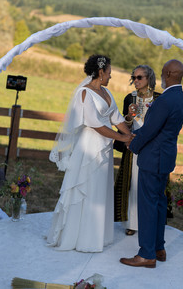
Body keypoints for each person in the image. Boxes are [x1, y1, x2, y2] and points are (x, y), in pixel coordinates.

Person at [47, 54, 132, 252]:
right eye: (109, 73)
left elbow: (117, 118)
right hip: (89, 148)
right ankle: (80, 238)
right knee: (86, 187)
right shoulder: (84, 93)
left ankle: (97, 235)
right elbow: (95, 124)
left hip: (105, 149)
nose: (111, 76)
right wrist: (122, 139)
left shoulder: (107, 92)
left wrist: (130, 136)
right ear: (101, 72)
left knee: (100, 189)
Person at [120, 59, 183, 268]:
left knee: (148, 205)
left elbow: (151, 129)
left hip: (152, 157)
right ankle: (159, 248)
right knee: (158, 203)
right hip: (165, 157)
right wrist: (136, 134)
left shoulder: (165, 99)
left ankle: (147, 254)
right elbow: (160, 129)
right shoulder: (182, 98)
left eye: (162, 72)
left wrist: (133, 144)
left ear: (168, 73)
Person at [114, 65, 160, 236]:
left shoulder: (158, 99)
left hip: (152, 149)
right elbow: (125, 124)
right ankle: (132, 223)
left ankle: (150, 222)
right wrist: (128, 115)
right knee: (133, 184)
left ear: (149, 79)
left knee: (150, 186)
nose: (136, 81)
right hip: (133, 148)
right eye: (134, 77)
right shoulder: (129, 98)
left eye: (140, 77)